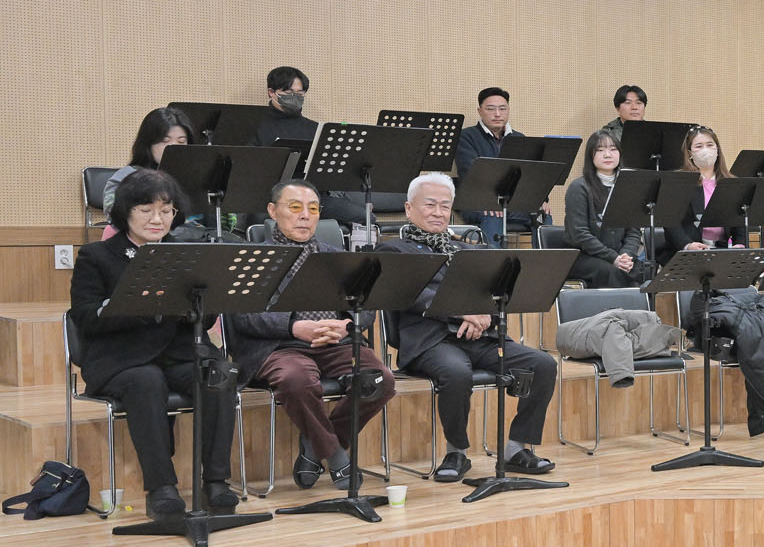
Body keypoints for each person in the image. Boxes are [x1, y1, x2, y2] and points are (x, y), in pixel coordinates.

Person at [69, 171, 240, 520]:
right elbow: (86, 317)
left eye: (166, 210)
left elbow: (206, 318)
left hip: (179, 354)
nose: (157, 219)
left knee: (219, 373)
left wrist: (199, 301)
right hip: (122, 360)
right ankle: (161, 488)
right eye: (146, 210)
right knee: (146, 380)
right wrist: (142, 306)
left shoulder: (185, 253)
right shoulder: (97, 256)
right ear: (125, 212)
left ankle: (216, 482)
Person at [379, 172, 559, 483]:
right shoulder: (395, 251)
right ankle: (457, 452)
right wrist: (461, 313)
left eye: (445, 206)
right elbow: (413, 295)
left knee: (542, 364)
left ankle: (515, 449)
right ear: (409, 209)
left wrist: (485, 314)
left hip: (482, 337)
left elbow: (495, 291)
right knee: (455, 372)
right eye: (430, 205)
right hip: (431, 341)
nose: (438, 212)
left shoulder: (472, 249)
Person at [224, 178, 397, 489]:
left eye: (313, 209)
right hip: (280, 347)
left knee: (381, 380)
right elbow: (244, 317)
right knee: (296, 379)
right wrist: (293, 326)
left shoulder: (336, 256)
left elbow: (366, 306)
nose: (305, 215)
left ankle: (314, 448)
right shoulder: (253, 258)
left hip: (336, 342)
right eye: (295, 207)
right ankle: (337, 457)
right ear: (272, 211)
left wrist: (347, 325)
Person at [563, 130, 647, 287]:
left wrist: (625, 255)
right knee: (611, 272)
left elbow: (633, 231)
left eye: (613, 149)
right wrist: (613, 258)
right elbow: (580, 234)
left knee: (645, 270)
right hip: (583, 257)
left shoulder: (628, 188)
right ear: (591, 155)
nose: (608, 155)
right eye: (600, 150)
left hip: (618, 256)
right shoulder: (579, 188)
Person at [454, 86, 526, 248]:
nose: (498, 114)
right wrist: (490, 200)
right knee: (494, 214)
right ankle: (492, 260)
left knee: (542, 215)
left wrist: (541, 200)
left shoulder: (519, 138)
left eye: (503, 108)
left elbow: (530, 173)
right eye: (491, 109)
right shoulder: (466, 137)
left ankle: (544, 262)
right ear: (480, 111)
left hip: (510, 203)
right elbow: (470, 173)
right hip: (476, 203)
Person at [102, 106, 199, 214]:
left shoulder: (195, 176)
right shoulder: (127, 176)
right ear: (148, 143)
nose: (174, 148)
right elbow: (115, 215)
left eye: (181, 142)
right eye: (164, 141)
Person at [670, 125, 742, 256]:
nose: (705, 150)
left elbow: (740, 219)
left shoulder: (730, 182)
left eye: (710, 145)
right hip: (690, 250)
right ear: (690, 153)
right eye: (699, 146)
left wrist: (740, 244)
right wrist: (687, 245)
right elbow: (671, 222)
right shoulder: (680, 181)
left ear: (717, 149)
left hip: (723, 250)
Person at [256, 66, 318, 148]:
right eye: (288, 92)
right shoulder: (255, 125)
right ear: (271, 92)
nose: (295, 97)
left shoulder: (315, 129)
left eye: (300, 94)